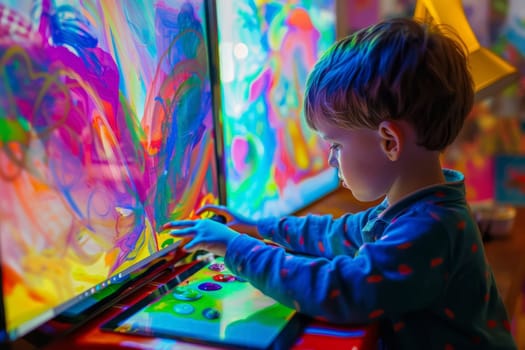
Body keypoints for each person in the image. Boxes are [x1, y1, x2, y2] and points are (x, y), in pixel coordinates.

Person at [162, 17, 517, 349]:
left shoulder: (430, 230)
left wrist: (237, 249)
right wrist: (258, 227)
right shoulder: (415, 206)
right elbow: (339, 233)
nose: (331, 159)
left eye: (335, 144)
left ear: (390, 142)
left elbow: (342, 290)